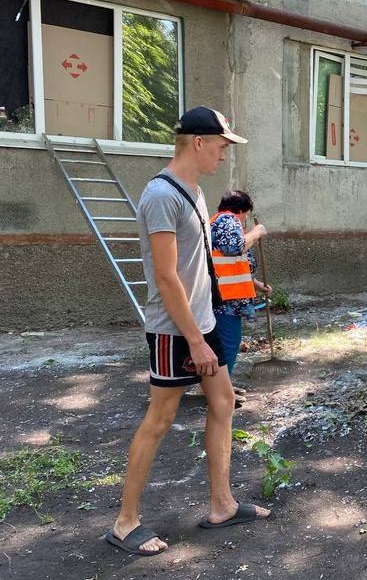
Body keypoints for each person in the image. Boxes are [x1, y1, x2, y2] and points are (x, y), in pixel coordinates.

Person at [105, 107, 270, 556]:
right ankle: (125, 523)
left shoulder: (195, 191)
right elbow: (165, 277)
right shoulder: (161, 195)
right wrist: (194, 340)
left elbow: (200, 267)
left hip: (205, 321)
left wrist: (210, 321)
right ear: (198, 142)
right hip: (175, 330)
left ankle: (222, 503)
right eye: (221, 146)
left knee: (223, 403)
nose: (223, 155)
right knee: (159, 421)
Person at [210, 190, 270, 407]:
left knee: (223, 344)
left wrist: (257, 286)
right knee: (228, 343)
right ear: (242, 211)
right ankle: (219, 394)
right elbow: (233, 248)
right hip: (225, 300)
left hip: (227, 296)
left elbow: (230, 265)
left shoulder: (220, 221)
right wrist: (256, 232)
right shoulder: (228, 220)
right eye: (245, 215)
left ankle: (221, 386)